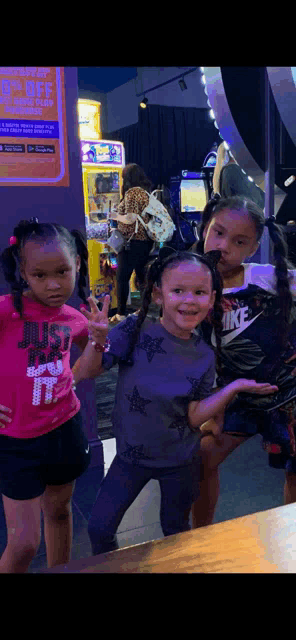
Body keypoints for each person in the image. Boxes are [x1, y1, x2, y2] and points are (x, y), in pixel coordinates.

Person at [86, 246, 278, 555]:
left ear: (212, 299)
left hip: (180, 462)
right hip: (129, 459)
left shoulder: (203, 354)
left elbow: (192, 417)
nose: (189, 300)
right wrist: (96, 343)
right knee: (99, 528)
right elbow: (90, 371)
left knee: (175, 532)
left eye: (200, 292)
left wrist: (233, 388)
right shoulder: (135, 329)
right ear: (159, 295)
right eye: (178, 290)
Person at [0, 217, 110, 573]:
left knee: (60, 512)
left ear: (78, 263)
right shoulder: (6, 311)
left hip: (64, 429)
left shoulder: (75, 317)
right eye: (40, 275)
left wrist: (97, 340)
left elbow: (90, 369)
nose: (53, 285)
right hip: (16, 441)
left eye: (62, 272)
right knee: (23, 543)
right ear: (23, 272)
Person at [189, 195, 296, 529]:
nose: (224, 246)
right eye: (218, 233)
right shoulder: (189, 284)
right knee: (202, 459)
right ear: (205, 227)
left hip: (287, 397)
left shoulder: (268, 277)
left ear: (252, 248)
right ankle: (200, 537)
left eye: (239, 241)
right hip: (232, 399)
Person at [109, 163, 154, 324]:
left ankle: (121, 313)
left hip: (131, 242)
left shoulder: (132, 193)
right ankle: (145, 309)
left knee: (122, 277)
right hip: (144, 242)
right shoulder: (144, 192)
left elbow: (131, 218)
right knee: (141, 277)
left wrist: (115, 215)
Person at [212, 142, 265, 209]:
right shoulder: (225, 148)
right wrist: (216, 193)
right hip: (239, 196)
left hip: (250, 193)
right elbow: (217, 173)